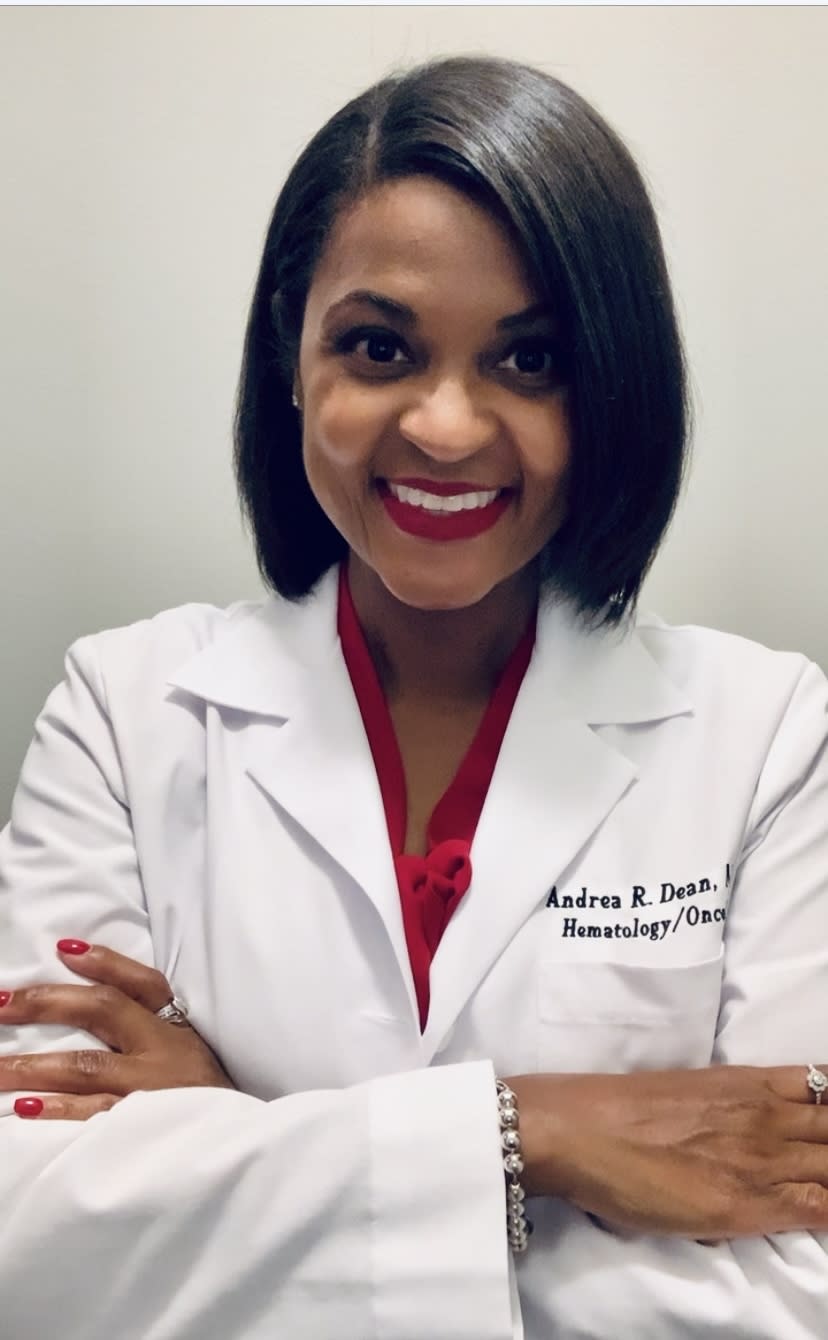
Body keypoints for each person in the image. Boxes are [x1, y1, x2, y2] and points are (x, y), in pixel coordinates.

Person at [1, 53, 827, 1340]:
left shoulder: (768, 735)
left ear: (610, 386)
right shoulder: (124, 710)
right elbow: (33, 1240)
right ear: (294, 356)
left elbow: (794, 1288)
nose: (446, 426)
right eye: (381, 346)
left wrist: (228, 1148)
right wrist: (532, 1134)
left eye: (531, 359)